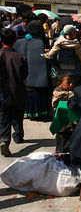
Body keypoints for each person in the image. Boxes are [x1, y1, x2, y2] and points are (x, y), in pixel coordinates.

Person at [14, 21, 53, 119]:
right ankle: (42, 112)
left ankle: (28, 112)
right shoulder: (42, 42)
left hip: (25, 78)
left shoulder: (20, 42)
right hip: (41, 80)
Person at [0, 28, 28, 157]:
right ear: (15, 41)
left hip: (2, 92)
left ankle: (4, 139)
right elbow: (25, 74)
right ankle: (18, 135)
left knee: (4, 116)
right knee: (18, 115)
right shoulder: (20, 57)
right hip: (18, 90)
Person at [51, 73, 76, 153]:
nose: (71, 84)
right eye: (68, 82)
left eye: (73, 82)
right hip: (62, 124)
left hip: (71, 124)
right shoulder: (58, 91)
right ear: (59, 83)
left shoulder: (72, 91)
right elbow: (56, 96)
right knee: (62, 142)